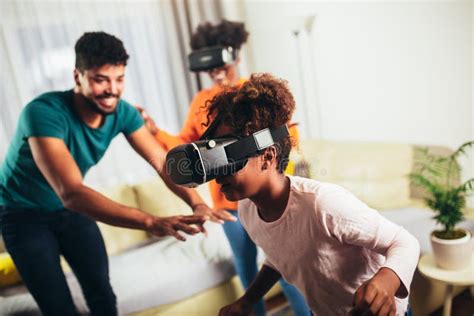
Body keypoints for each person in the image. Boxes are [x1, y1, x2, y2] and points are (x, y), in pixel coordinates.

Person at [0, 31, 223, 316]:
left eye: (119, 79)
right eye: (100, 79)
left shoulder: (123, 112)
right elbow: (71, 192)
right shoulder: (43, 113)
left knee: (103, 298)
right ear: (77, 76)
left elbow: (162, 162)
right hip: (23, 215)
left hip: (70, 213)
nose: (112, 90)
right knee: (58, 309)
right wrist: (150, 221)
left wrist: (198, 203)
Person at [206, 73, 420, 316]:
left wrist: (385, 281)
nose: (218, 174)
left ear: (267, 156)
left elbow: (404, 242)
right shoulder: (248, 209)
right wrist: (247, 300)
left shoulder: (322, 204)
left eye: (229, 159)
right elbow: (280, 256)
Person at [139, 20, 310, 316]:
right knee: (246, 270)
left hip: (269, 201)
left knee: (285, 265)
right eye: (210, 68)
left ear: (236, 57)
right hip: (229, 206)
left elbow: (287, 136)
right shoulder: (201, 102)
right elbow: (186, 143)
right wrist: (154, 132)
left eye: (221, 65)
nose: (216, 73)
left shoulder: (260, 95)